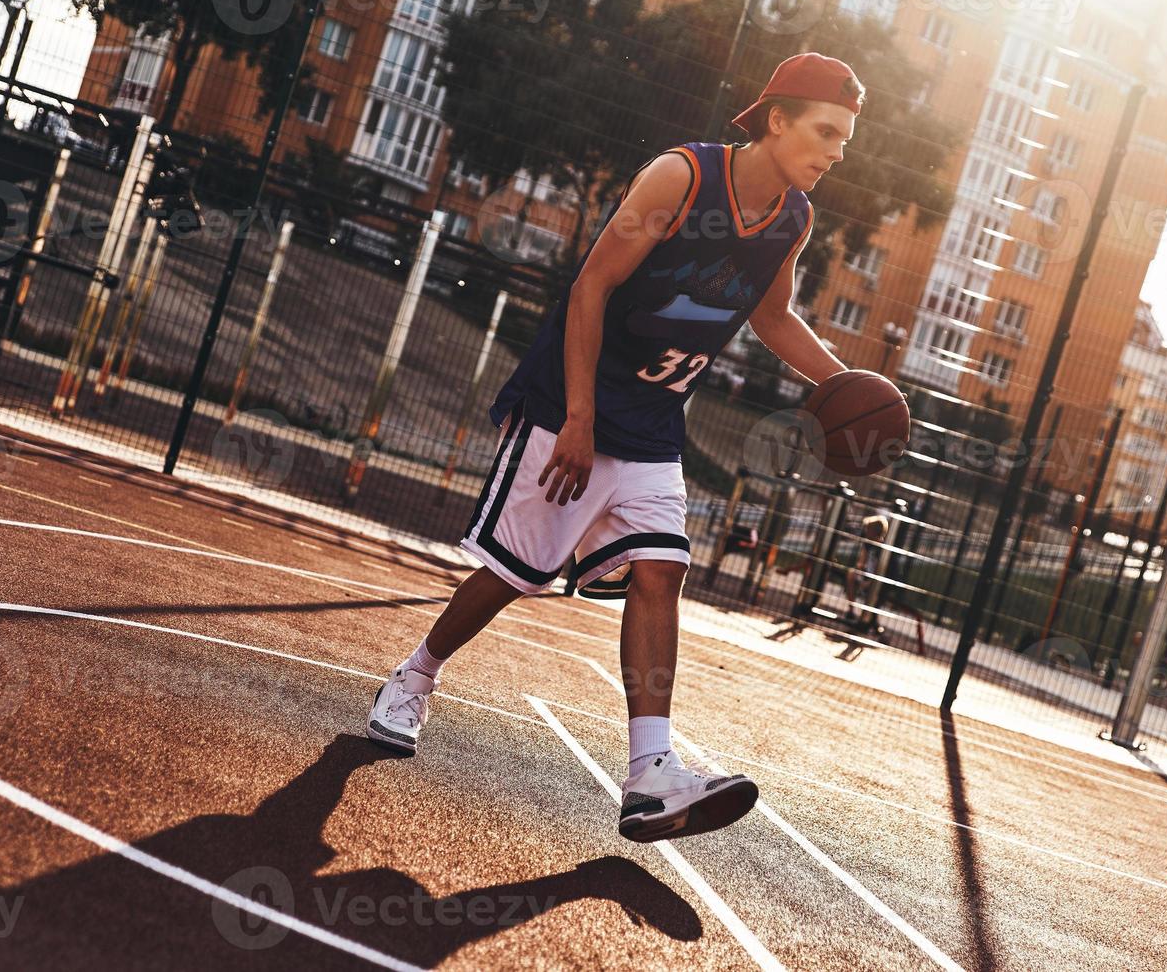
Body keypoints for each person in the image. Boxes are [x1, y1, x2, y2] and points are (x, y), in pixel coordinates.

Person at [368, 54, 863, 842]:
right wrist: (577, 417)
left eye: (845, 138)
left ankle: (649, 775)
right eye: (826, 130)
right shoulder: (679, 179)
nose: (838, 149)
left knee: (662, 570)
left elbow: (772, 319)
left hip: (655, 418)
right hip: (573, 401)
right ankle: (414, 676)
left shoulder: (793, 219)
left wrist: (850, 388)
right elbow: (591, 286)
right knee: (512, 575)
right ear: (777, 120)